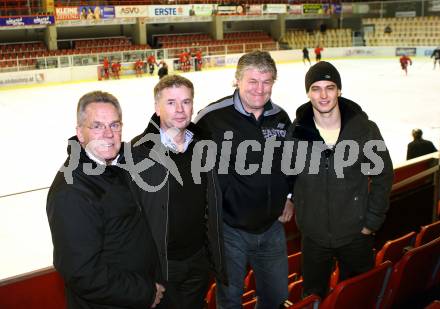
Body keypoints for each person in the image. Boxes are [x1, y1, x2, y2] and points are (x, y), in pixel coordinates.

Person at [46, 91, 165, 309]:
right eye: (97, 126)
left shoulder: (115, 163)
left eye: (115, 125)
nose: (108, 134)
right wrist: (146, 292)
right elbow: (83, 273)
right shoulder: (72, 191)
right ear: (80, 133)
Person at [194, 51, 293, 309]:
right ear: (237, 80)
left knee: (276, 297)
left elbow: (290, 163)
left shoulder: (281, 117)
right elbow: (191, 168)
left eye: (266, 81)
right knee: (230, 300)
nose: (259, 90)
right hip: (229, 231)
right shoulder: (211, 118)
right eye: (252, 81)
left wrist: (289, 197)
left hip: (272, 228)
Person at [288, 61, 394, 299]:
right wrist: (300, 211)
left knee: (358, 295)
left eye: (330, 87)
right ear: (308, 93)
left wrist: (371, 222)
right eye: (316, 88)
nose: (323, 95)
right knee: (313, 297)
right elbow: (288, 175)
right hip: (314, 237)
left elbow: (383, 174)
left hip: (356, 234)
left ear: (340, 90)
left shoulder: (364, 129)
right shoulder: (296, 132)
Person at [129, 75, 227, 309]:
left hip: (198, 260)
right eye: (171, 102)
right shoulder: (138, 152)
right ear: (157, 107)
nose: (180, 109)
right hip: (163, 267)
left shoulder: (205, 145)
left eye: (186, 101)